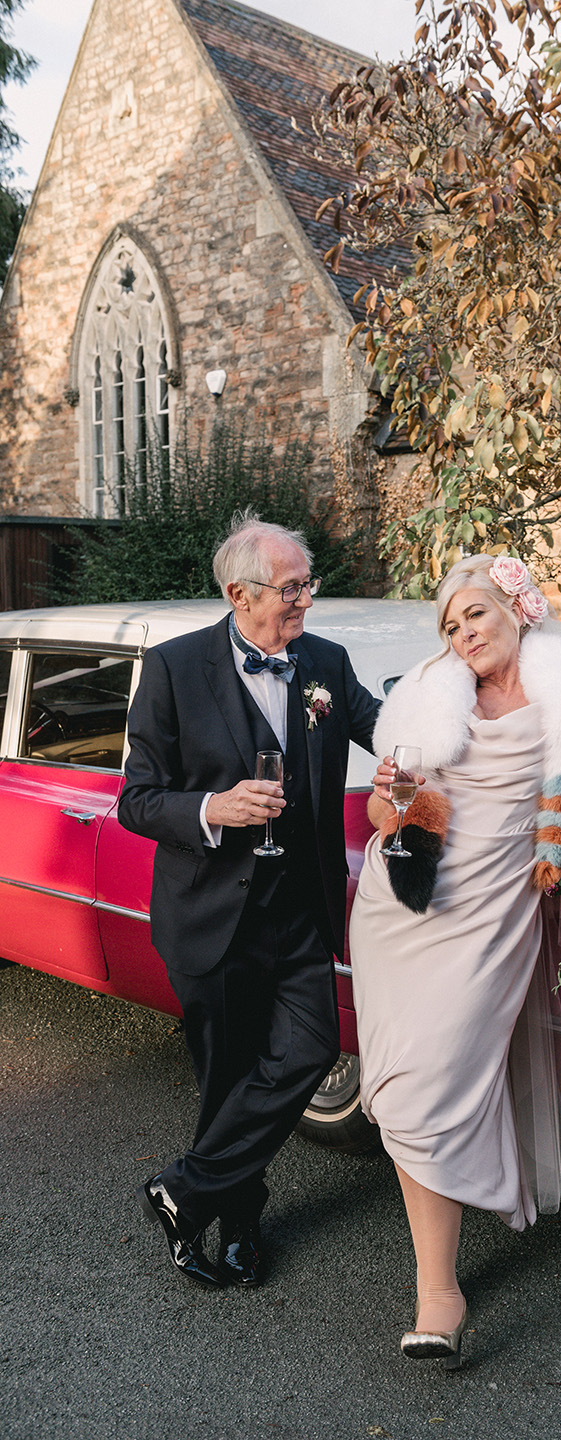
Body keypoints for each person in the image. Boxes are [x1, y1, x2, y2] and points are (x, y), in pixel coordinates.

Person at [349, 553, 561, 1365]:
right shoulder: (430, 693)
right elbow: (387, 811)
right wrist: (391, 796)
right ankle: (437, 1293)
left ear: (515, 610)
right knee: (404, 1085)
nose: (464, 636)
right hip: (405, 912)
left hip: (494, 915)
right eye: (451, 626)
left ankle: (439, 1289)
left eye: (475, 617)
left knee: (436, 1083)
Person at [119, 512, 378, 1288]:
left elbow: (384, 726)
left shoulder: (324, 661)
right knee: (228, 1080)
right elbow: (137, 800)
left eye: (307, 584)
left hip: (299, 909)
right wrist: (211, 809)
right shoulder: (171, 668)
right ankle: (238, 1227)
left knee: (306, 1050)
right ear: (239, 592)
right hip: (210, 913)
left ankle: (183, 1190)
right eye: (292, 587)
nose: (305, 600)